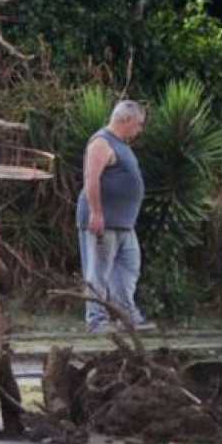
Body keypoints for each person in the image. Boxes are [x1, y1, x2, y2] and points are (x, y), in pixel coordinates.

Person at [75, 100, 155, 333]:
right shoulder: (101, 142)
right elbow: (91, 179)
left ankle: (127, 316)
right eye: (138, 124)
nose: (139, 130)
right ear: (126, 120)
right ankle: (96, 321)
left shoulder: (121, 145)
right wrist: (97, 213)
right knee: (98, 272)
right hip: (104, 221)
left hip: (123, 224)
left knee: (129, 268)